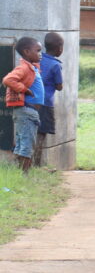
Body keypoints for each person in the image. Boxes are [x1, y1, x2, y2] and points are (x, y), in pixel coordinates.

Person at [4, 37, 44, 175]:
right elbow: (8, 79)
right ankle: (24, 175)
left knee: (23, 143)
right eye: (38, 50)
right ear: (27, 52)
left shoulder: (33, 67)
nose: (40, 54)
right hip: (26, 111)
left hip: (28, 112)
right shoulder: (24, 68)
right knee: (27, 144)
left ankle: (19, 174)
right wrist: (24, 89)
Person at [34, 32, 65, 166]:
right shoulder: (56, 65)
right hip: (45, 103)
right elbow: (59, 86)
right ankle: (36, 164)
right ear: (59, 48)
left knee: (30, 133)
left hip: (31, 101)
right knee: (41, 134)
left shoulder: (37, 59)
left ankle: (25, 163)